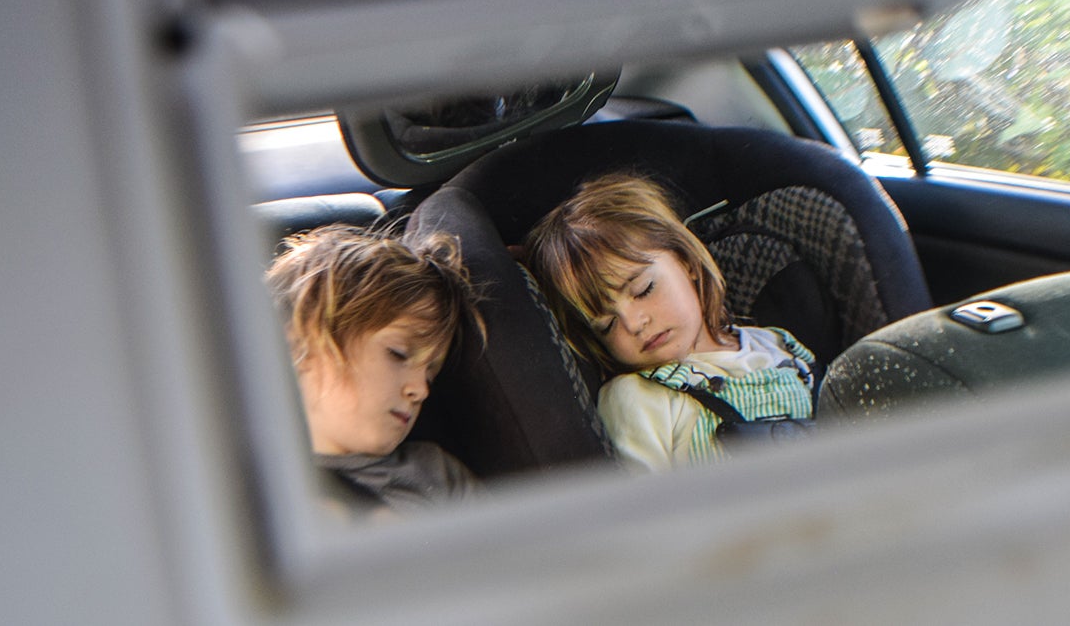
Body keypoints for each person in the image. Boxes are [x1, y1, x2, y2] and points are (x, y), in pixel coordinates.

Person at [527, 173, 818, 473]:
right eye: (606, 325)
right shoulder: (637, 398)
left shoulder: (778, 344)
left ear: (686, 261)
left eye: (643, 290)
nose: (634, 323)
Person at [265, 224, 485, 515]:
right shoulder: (246, 490)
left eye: (431, 372)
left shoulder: (435, 474)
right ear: (298, 340)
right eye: (398, 354)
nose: (420, 390)